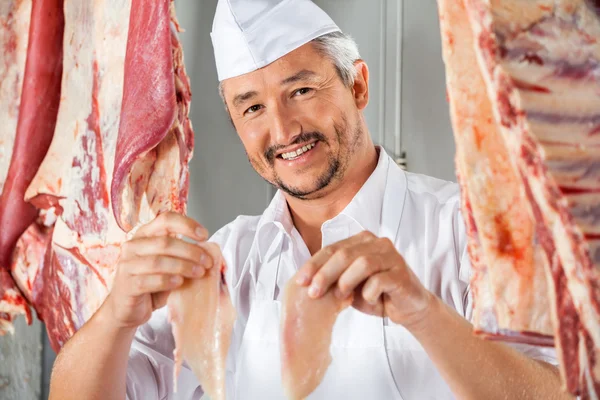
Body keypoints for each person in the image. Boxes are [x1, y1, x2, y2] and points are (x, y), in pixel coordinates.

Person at [48, 0, 568, 399]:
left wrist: (422, 311)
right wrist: (117, 313)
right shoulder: (228, 261)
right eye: (251, 108)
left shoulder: (468, 232)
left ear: (358, 85)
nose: (282, 129)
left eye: (301, 91)